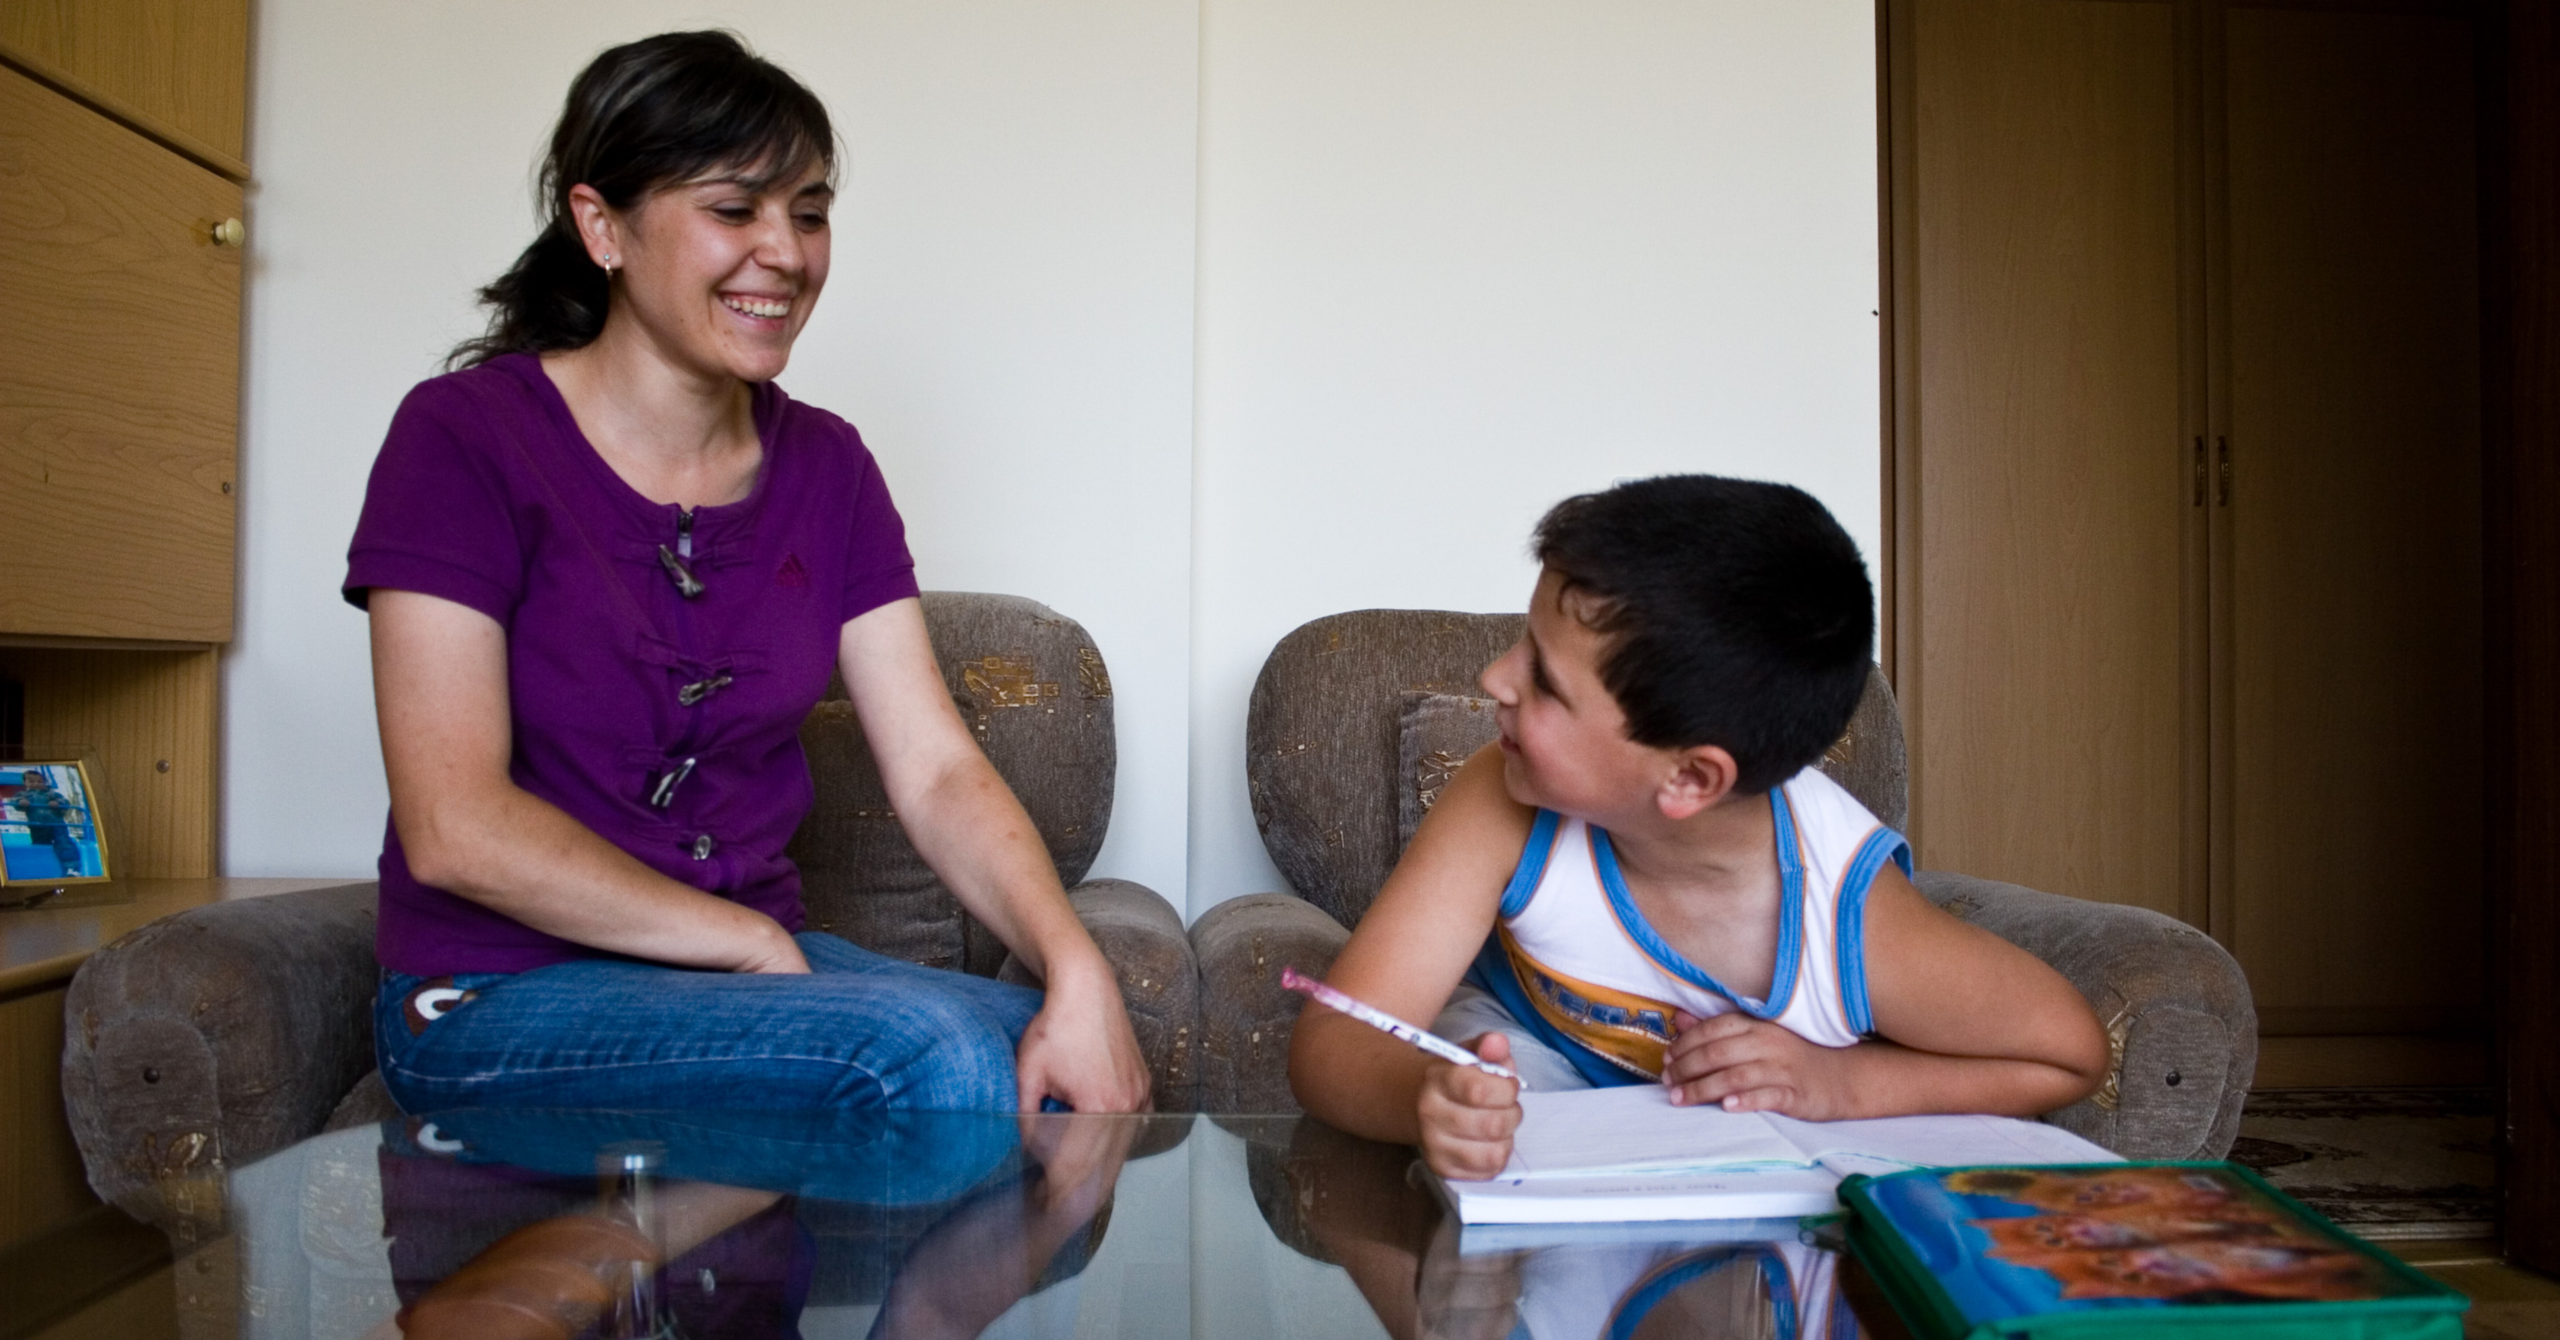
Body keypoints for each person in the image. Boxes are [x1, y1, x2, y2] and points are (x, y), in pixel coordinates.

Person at [344, 31, 1147, 1117]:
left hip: (745, 970)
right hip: (498, 991)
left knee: (1063, 1076)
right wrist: (742, 939)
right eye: (735, 209)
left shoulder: (830, 465)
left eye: (809, 213)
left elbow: (937, 770)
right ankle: (626, 1256)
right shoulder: (462, 437)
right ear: (601, 226)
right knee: (941, 1066)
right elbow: (456, 823)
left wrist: (1075, 969)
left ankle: (678, 1246)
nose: (785, 251)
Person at [1288, 475, 2110, 1178]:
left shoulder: (1846, 912)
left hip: (1731, 1211)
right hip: (1530, 1122)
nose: (1493, 677)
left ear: (1689, 777)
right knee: (1482, 1054)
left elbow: (2069, 1052)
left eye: (1544, 680)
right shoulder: (1501, 799)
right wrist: (1423, 1098)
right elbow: (1331, 1042)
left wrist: (1843, 1085)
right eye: (1521, 643)